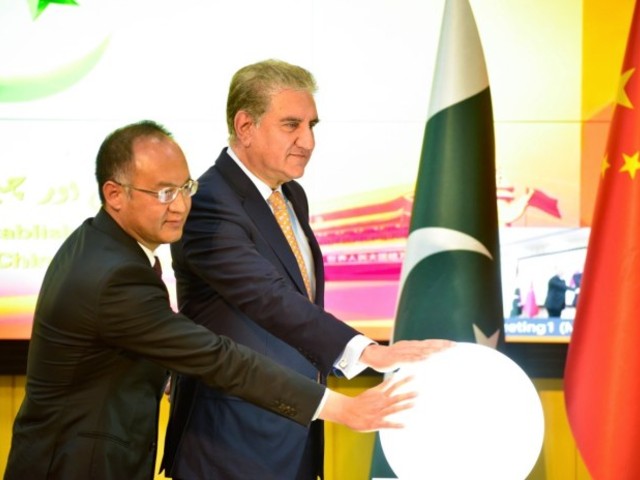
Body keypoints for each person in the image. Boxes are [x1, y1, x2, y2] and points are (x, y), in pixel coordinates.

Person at [3, 120, 429, 480]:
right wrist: (338, 407)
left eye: (185, 187)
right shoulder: (115, 275)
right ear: (115, 194)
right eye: (164, 193)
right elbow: (216, 356)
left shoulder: (100, 243)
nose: (182, 205)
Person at [162, 59, 452, 479]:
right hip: (228, 441)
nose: (308, 140)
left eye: (313, 125)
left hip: (295, 433)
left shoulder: (291, 195)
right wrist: (365, 350)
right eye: (291, 125)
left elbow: (298, 303)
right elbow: (269, 298)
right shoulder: (208, 202)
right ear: (245, 126)